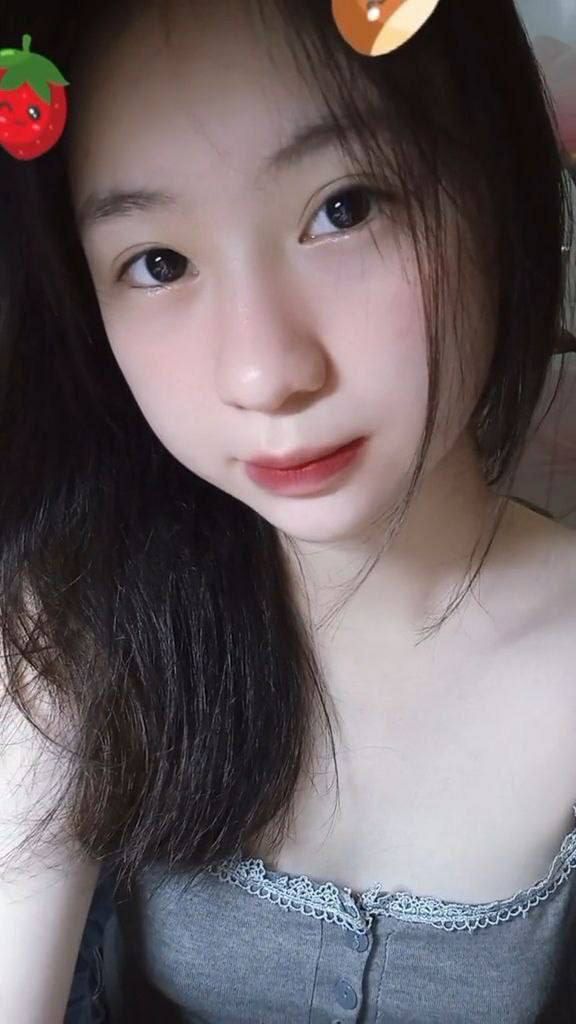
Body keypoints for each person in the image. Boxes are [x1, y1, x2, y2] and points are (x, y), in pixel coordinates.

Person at [0, 1, 575, 1021]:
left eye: (344, 208)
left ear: (494, 186)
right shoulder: (79, 617)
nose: (264, 372)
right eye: (158, 263)